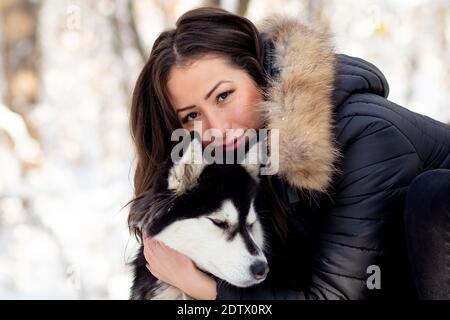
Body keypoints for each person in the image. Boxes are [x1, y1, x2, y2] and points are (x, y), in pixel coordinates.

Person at [128, 7, 450, 299]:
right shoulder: (248, 166)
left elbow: (336, 297)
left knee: (435, 195)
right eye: (192, 116)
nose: (217, 127)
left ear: (258, 72)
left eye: (224, 95)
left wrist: (203, 288)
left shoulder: (366, 136)